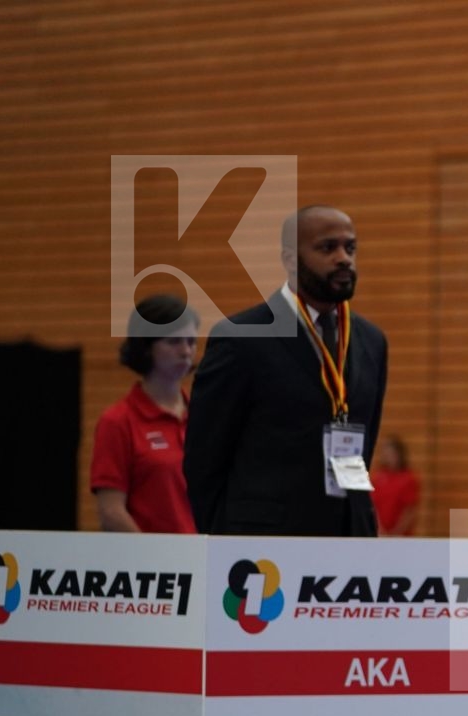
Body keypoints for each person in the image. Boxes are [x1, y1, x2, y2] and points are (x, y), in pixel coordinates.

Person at [185, 205, 388, 536]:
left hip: (350, 533)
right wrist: (222, 540)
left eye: (350, 248)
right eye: (327, 247)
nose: (343, 258)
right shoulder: (241, 338)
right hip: (264, 542)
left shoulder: (371, 341)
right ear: (291, 259)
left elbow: (366, 439)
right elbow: (204, 459)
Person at [91, 294, 197, 534]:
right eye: (174, 342)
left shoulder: (205, 418)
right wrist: (152, 559)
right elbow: (110, 512)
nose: (186, 351)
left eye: (191, 341)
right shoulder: (118, 421)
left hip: (202, 560)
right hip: (152, 565)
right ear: (146, 347)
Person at [369, 435, 420, 537]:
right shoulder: (377, 477)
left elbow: (409, 510)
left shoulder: (408, 478)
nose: (387, 457)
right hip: (380, 534)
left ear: (399, 454)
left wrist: (396, 533)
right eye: (385, 453)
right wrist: (380, 530)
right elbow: (373, 507)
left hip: (401, 536)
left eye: (391, 453)